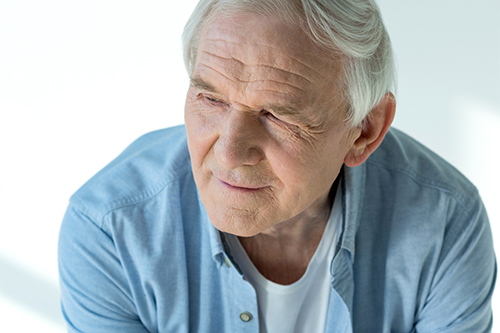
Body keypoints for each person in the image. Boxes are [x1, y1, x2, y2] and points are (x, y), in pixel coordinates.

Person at [58, 0, 496, 332]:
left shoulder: (445, 223)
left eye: (277, 116)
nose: (227, 154)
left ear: (364, 130)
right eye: (211, 98)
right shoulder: (109, 228)